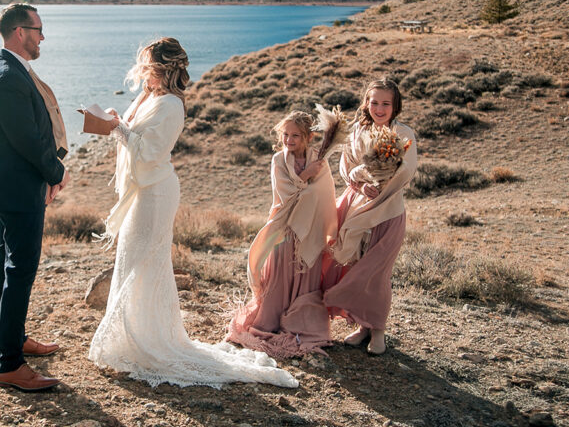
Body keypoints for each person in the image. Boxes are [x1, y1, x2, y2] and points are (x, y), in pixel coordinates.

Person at [88, 38, 298, 389]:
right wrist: (115, 121)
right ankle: (133, 336)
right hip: (144, 190)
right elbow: (133, 134)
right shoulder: (148, 97)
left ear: (162, 69)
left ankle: (149, 342)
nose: (140, 71)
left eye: (146, 65)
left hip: (155, 193)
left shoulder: (171, 104)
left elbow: (151, 151)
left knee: (146, 262)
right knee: (135, 260)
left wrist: (117, 129)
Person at [0, 3, 69, 392]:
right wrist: (56, 171)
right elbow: (27, 140)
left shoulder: (13, 71)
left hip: (17, 184)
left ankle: (12, 341)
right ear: (19, 32)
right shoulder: (6, 76)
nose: (42, 37)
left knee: (8, 264)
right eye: (38, 29)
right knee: (20, 270)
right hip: (18, 186)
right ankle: (11, 364)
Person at [226, 110, 337, 358]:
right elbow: (286, 195)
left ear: (308, 137)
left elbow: (323, 195)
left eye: (295, 135)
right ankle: (271, 320)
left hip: (310, 231)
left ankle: (300, 324)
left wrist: (310, 185)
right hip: (284, 227)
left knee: (304, 275)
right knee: (280, 273)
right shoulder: (278, 160)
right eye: (285, 134)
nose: (289, 139)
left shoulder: (320, 159)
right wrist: (304, 177)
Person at [322, 79, 417, 355]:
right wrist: (362, 184)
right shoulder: (357, 132)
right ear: (366, 103)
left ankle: (378, 331)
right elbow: (346, 167)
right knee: (354, 266)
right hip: (356, 208)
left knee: (376, 273)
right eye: (374, 102)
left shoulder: (403, 133)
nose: (379, 108)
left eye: (386, 103)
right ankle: (362, 325)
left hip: (387, 211)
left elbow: (405, 172)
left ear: (395, 105)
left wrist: (381, 186)